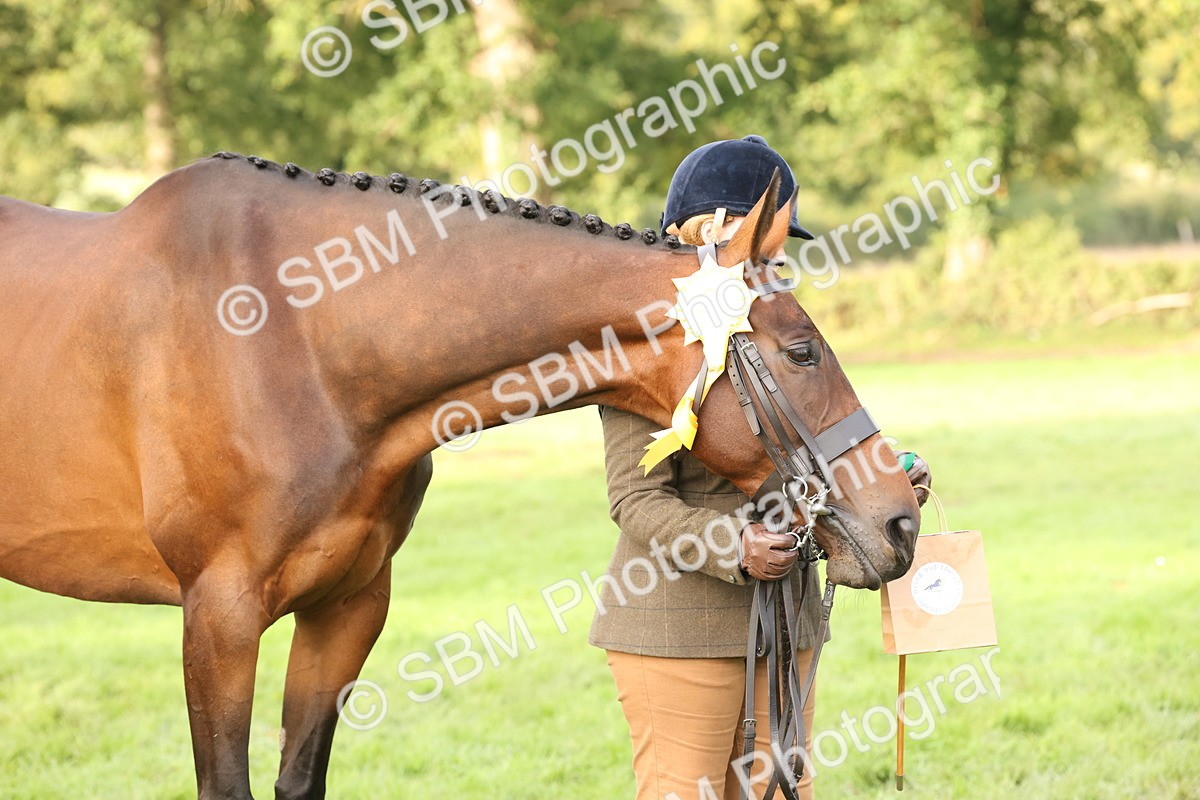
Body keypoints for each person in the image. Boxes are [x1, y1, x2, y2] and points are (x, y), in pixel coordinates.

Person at [589, 135, 931, 800]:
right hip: (681, 629)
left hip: (788, 622)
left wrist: (881, 484)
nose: (779, 264)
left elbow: (817, 443)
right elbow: (633, 497)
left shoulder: (773, 327)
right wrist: (733, 547)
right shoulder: (647, 341)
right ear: (721, 232)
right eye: (770, 245)